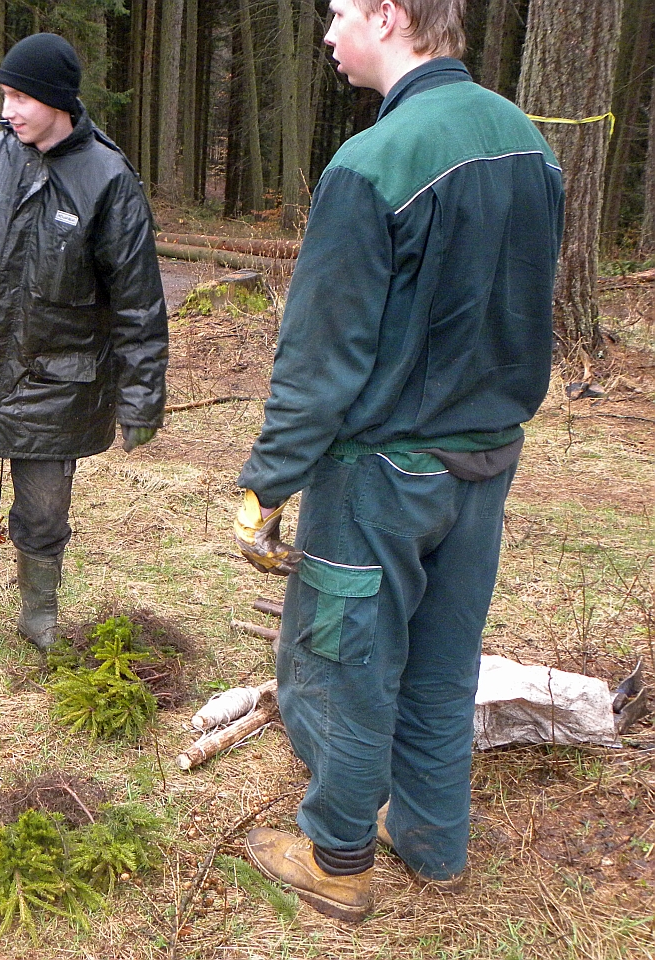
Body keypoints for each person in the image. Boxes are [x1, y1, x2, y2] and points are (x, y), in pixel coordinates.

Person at [232, 0, 564, 922]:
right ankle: (433, 839)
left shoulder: (372, 162)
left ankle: (337, 858)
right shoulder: (529, 144)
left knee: (345, 662)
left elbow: (319, 354)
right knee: (444, 660)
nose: (328, 33)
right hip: (487, 461)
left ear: (389, 14)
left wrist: (267, 485)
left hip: (380, 473)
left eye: (340, 12)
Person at [0, 33, 167, 653]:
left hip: (58, 381)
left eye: (20, 97)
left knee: (44, 511)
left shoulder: (108, 179)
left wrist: (141, 399)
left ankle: (38, 616)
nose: (8, 111)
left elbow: (138, 303)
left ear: (57, 100)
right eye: (4, 95)